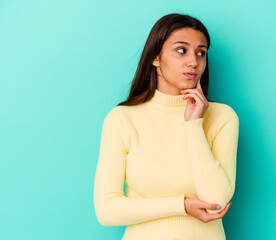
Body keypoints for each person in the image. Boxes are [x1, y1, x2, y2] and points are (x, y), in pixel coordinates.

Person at [93, 13, 239, 240]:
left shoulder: (222, 117)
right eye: (182, 50)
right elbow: (107, 210)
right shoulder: (122, 119)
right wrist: (181, 205)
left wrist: (194, 125)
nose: (194, 61)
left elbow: (215, 202)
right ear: (155, 58)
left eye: (201, 52)